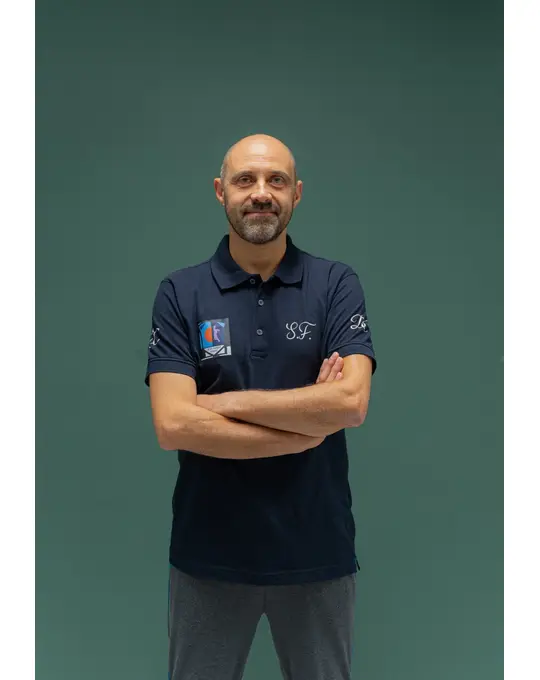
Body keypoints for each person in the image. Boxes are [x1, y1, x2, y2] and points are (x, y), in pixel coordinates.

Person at [145, 134, 377, 680]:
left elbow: (350, 401)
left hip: (317, 553)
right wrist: (306, 428)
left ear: (297, 193)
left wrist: (220, 405)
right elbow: (173, 422)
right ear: (220, 191)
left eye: (276, 180)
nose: (261, 193)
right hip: (208, 555)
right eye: (245, 180)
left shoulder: (335, 284)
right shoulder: (180, 292)